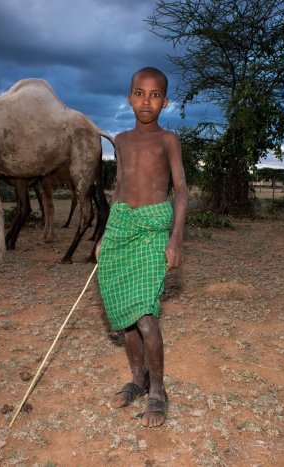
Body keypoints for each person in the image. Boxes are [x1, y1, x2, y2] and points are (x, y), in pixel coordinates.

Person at [96, 66, 188, 427]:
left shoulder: (168, 141)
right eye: (139, 93)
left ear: (165, 102)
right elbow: (118, 188)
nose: (145, 101)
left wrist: (176, 238)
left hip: (152, 229)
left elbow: (180, 190)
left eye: (154, 95)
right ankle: (138, 379)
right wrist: (105, 234)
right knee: (125, 316)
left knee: (146, 316)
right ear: (129, 97)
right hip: (122, 226)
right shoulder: (121, 139)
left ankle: (158, 390)